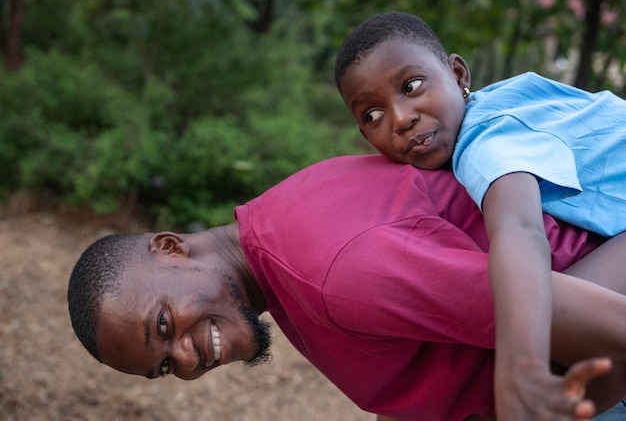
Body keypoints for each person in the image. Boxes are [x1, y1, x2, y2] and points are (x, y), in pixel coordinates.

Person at [68, 154, 626, 421]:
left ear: (169, 247)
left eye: (164, 326)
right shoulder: (276, 245)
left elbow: (613, 330)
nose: (187, 360)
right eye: (164, 365)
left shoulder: (335, 271)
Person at [334, 11, 626, 420]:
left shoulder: (486, 140)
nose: (401, 118)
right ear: (365, 136)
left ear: (457, 74)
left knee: (553, 337)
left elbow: (518, 229)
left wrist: (518, 361)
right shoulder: (500, 99)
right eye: (373, 114)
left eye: (412, 86)